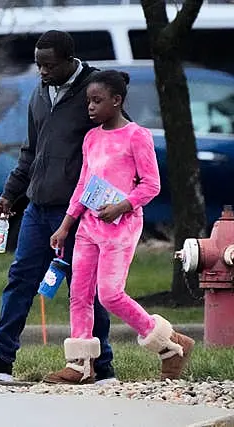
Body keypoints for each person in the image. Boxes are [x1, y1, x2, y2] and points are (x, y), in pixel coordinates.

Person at [0, 30, 116, 384]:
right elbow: (31, 151)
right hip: (38, 206)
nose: (42, 71)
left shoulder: (93, 93)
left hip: (79, 210)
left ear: (69, 59)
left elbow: (111, 150)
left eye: (49, 65)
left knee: (84, 286)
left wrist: (99, 202)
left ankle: (102, 365)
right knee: (20, 279)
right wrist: (10, 193)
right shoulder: (39, 94)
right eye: (38, 65)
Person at [45, 70, 194, 384]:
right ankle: (79, 365)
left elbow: (151, 185)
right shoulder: (91, 137)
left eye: (97, 101)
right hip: (87, 227)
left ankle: (170, 344)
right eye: (89, 101)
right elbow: (84, 185)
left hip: (121, 227)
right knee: (79, 294)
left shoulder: (136, 135)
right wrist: (66, 225)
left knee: (110, 295)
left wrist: (121, 206)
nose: (91, 107)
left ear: (117, 100)